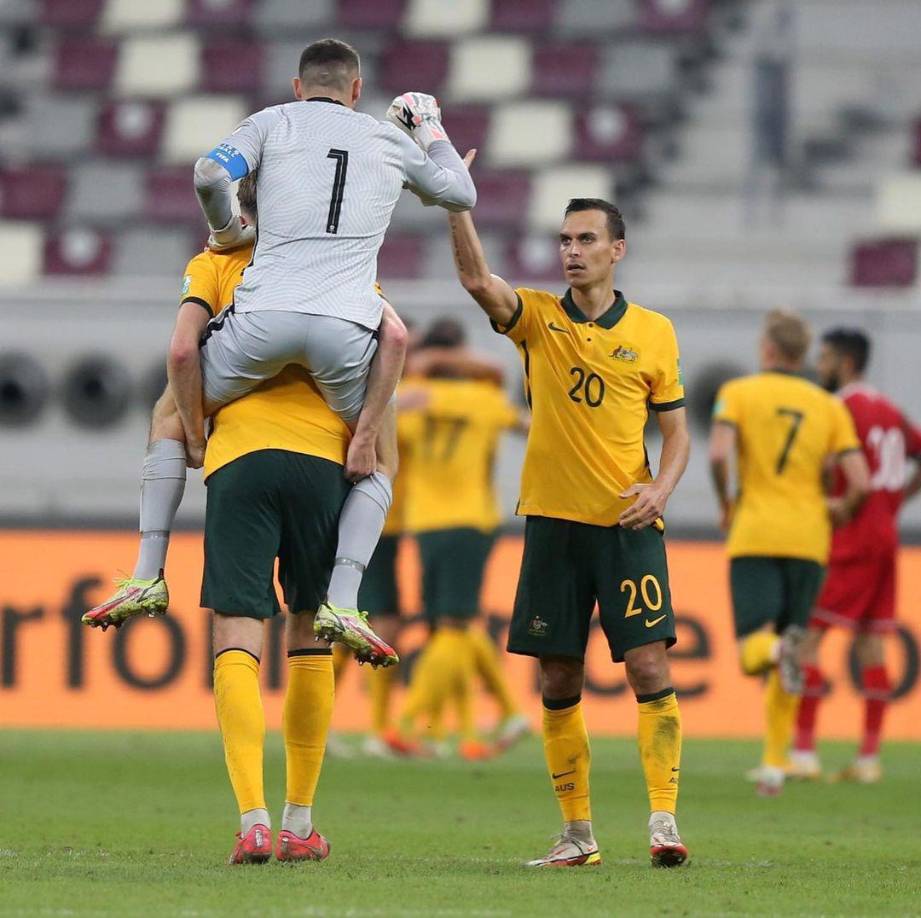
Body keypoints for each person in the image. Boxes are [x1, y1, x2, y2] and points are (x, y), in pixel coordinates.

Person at [83, 38, 475, 665]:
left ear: (298, 86)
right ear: (355, 89)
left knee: (163, 414)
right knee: (380, 461)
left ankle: (146, 573)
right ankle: (343, 600)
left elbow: (209, 173)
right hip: (347, 327)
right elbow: (461, 193)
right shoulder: (386, 139)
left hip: (264, 318)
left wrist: (226, 231)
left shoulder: (272, 121)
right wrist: (428, 127)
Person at [447, 172, 692, 868]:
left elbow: (676, 435)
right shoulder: (535, 319)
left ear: (618, 249)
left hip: (625, 526)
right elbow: (474, 279)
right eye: (563, 240)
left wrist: (661, 491)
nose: (571, 251)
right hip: (551, 525)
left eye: (586, 239)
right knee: (557, 680)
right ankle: (577, 834)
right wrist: (454, 202)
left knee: (647, 665)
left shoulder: (652, 332)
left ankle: (663, 820)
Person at [708, 311, 870, 798]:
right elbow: (859, 479)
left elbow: (718, 454)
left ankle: (779, 652)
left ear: (768, 350)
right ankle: (775, 765)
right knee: (793, 646)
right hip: (809, 539)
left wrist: (727, 502)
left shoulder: (738, 394)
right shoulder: (828, 406)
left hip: (756, 532)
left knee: (755, 653)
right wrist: (840, 510)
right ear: (803, 354)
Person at [391, 318, 530, 761]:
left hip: (425, 523)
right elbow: (527, 424)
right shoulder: (485, 400)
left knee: (447, 625)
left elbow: (381, 418)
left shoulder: (410, 401)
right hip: (471, 521)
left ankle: (426, 724)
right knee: (455, 626)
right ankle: (438, 722)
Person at [791, 328, 921, 783]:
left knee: (807, 636)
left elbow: (828, 469)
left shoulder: (840, 408)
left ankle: (803, 752)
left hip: (850, 537)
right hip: (885, 535)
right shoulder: (888, 409)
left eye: (824, 358)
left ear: (845, 362)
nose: (819, 366)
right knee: (870, 641)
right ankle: (868, 759)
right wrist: (896, 502)